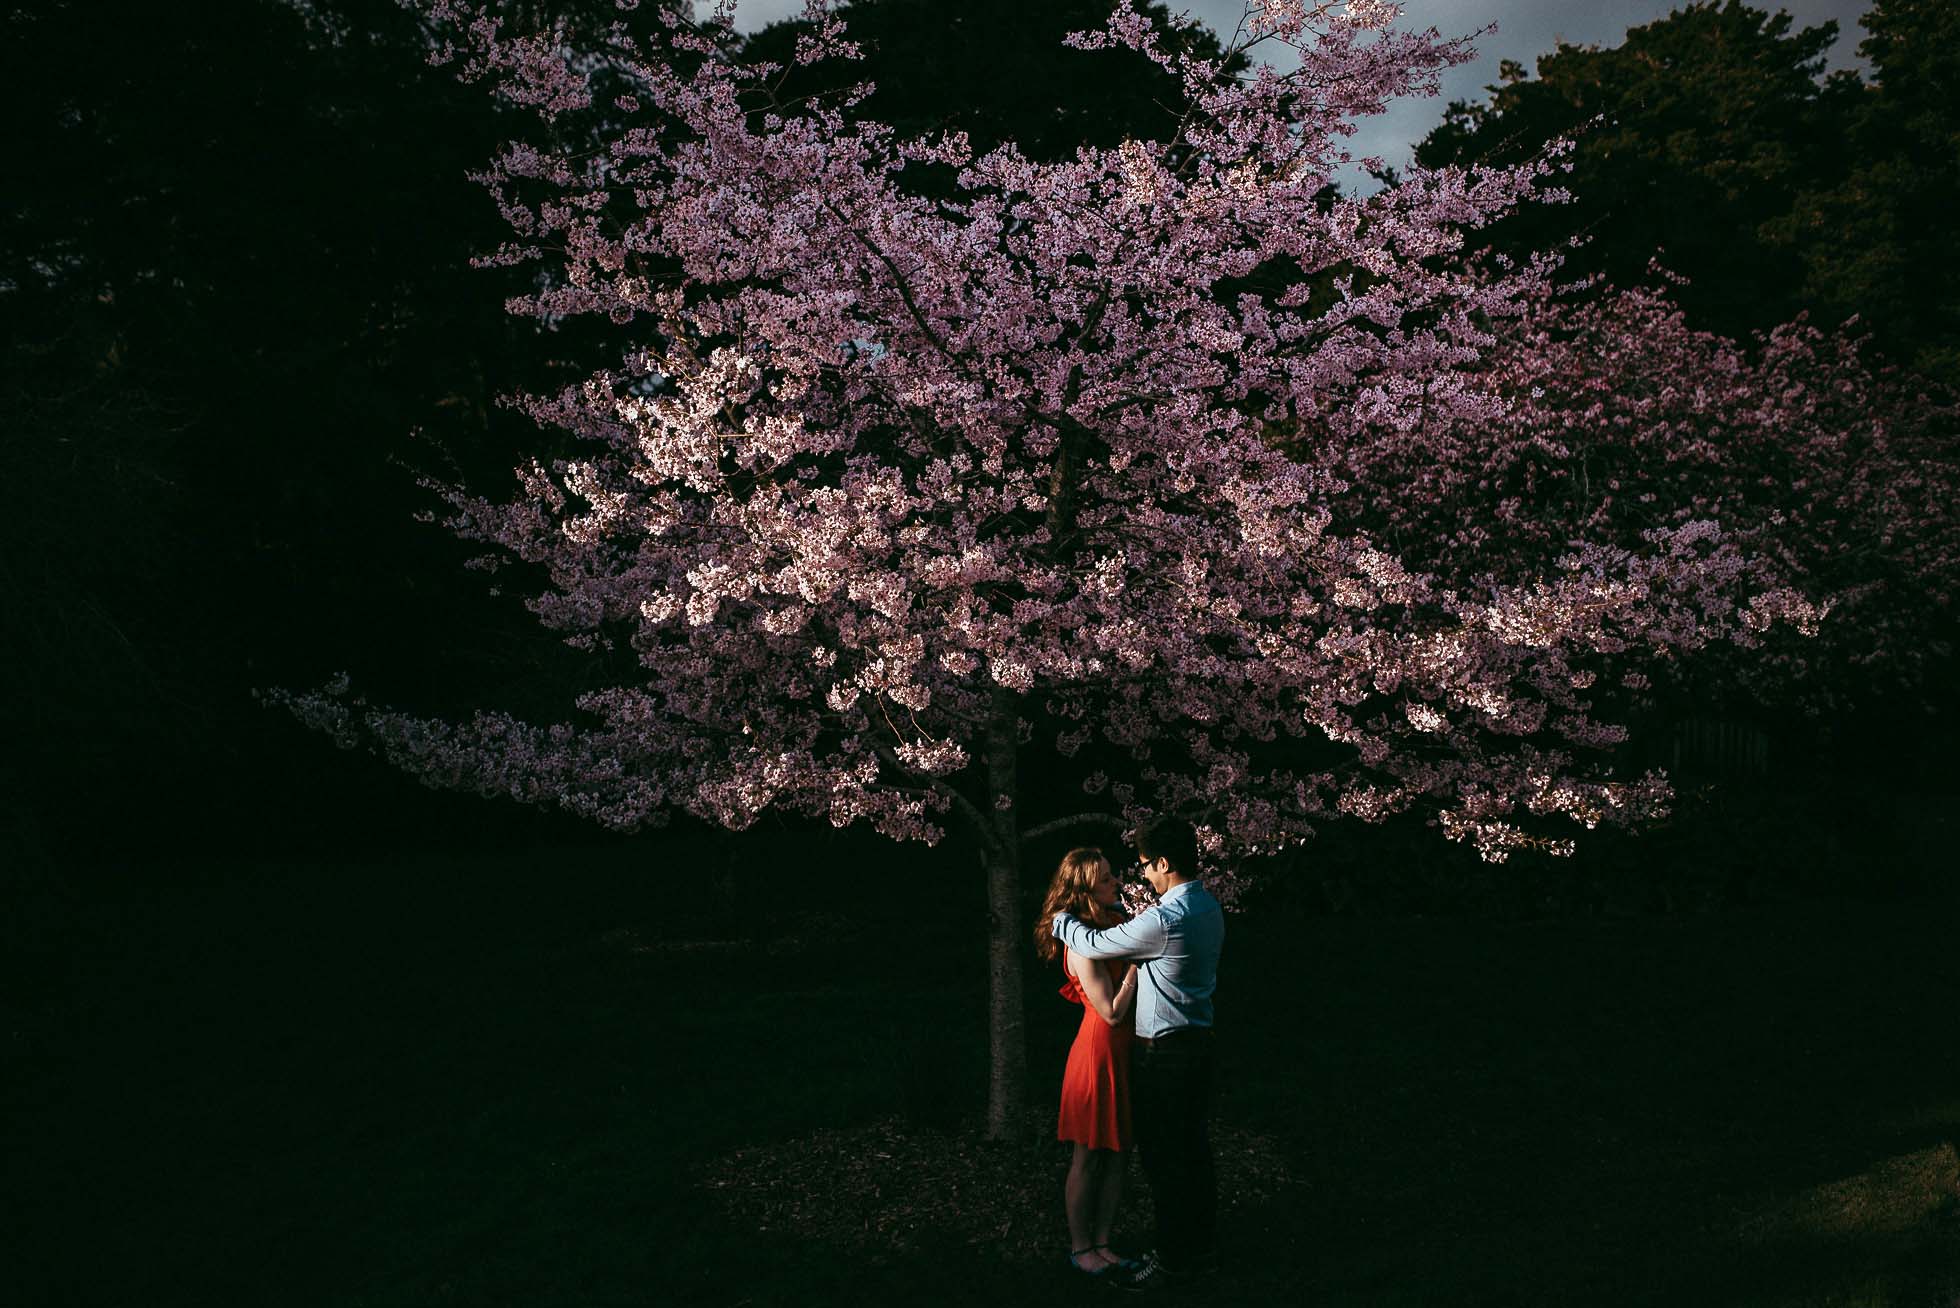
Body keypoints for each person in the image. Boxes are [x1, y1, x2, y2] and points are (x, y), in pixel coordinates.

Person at [1050, 816, 1224, 1293]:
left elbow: (1092, 942)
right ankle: (1199, 1249)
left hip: (1164, 1054)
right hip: (1195, 1045)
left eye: (1145, 865)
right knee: (1192, 1154)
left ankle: (1172, 1259)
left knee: (1167, 1160)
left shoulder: (1162, 920)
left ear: (1165, 862)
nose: (1139, 875)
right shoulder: (1208, 906)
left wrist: (1060, 918)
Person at [1033, 847, 1141, 1280]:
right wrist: (1136, 966)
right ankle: (1081, 1249)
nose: (1116, 882)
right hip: (1098, 1052)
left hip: (1125, 1050)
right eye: (1106, 880)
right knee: (1089, 1156)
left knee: (1118, 1154)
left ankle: (1103, 1242)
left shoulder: (1114, 923)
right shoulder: (1081, 944)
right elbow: (1111, 1011)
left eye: (1113, 875)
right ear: (1084, 891)